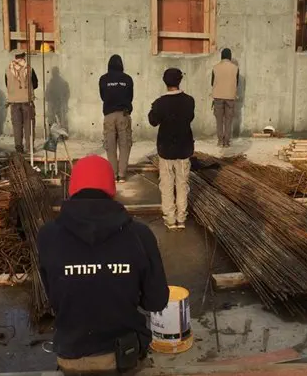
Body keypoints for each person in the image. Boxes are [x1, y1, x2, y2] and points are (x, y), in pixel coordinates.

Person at [38, 155, 169, 375]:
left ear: (73, 189)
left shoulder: (48, 236)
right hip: (122, 357)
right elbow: (156, 301)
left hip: (71, 356)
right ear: (111, 188)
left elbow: (54, 297)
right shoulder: (139, 234)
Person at [148, 68, 195, 231]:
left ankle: (170, 219)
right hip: (184, 148)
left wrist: (153, 109)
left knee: (167, 184)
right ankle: (181, 218)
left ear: (165, 81)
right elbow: (190, 118)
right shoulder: (189, 101)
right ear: (180, 80)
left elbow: (153, 121)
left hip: (166, 149)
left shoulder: (160, 103)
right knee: (182, 184)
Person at [99, 54, 134, 183]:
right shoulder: (128, 79)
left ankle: (113, 175)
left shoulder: (103, 79)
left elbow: (103, 96)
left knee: (110, 145)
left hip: (108, 115)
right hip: (124, 114)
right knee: (125, 145)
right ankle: (122, 175)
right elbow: (130, 97)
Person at [5, 49, 39, 153]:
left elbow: (7, 84)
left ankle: (19, 148)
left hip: (14, 103)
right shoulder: (29, 68)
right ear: (23, 56)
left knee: (17, 126)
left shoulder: (8, 69)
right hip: (27, 102)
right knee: (29, 125)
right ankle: (29, 148)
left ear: (15, 57)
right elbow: (36, 84)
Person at [211, 48, 239, 147]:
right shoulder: (235, 68)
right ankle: (226, 142)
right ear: (230, 57)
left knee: (219, 120)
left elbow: (212, 82)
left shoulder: (215, 67)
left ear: (222, 56)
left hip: (218, 96)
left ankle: (220, 141)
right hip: (230, 97)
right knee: (228, 120)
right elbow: (237, 83)